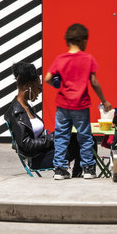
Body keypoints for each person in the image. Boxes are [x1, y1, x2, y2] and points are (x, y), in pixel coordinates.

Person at [42, 23, 111, 180]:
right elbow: (94, 83)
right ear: (83, 40)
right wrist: (104, 101)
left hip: (62, 105)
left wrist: (58, 84)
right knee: (85, 136)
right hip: (80, 105)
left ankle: (60, 169)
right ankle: (88, 168)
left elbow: (47, 78)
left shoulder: (60, 59)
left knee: (61, 137)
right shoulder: (87, 59)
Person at [5, 61, 80, 173]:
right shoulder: (15, 113)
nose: (41, 90)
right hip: (38, 159)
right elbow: (26, 144)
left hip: (45, 151)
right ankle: (78, 174)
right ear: (27, 87)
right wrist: (52, 138)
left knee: (81, 137)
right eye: (38, 86)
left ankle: (77, 174)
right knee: (83, 142)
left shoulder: (27, 107)